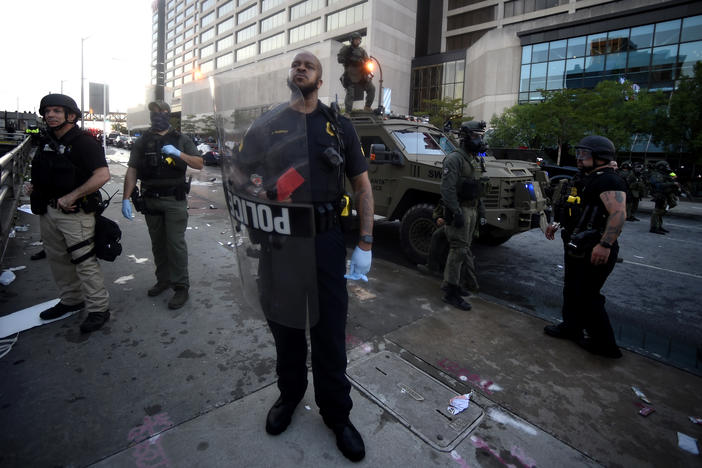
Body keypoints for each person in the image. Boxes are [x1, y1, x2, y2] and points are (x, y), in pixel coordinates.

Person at [234, 51, 373, 462]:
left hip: (326, 242)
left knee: (329, 332)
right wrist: (254, 190)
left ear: (320, 77)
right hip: (280, 244)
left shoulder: (339, 126)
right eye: (296, 64)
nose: (300, 68)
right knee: (286, 329)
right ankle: (289, 397)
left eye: (308, 65)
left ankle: (337, 415)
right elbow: (240, 173)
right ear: (289, 75)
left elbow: (362, 187)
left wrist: (365, 242)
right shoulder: (268, 123)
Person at [29, 94, 111, 333]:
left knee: (84, 262)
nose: (50, 115)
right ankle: (71, 300)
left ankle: (98, 309)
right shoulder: (46, 141)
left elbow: (102, 175)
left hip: (75, 214)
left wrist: (72, 196)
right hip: (48, 210)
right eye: (47, 111)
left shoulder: (84, 142)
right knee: (58, 260)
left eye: (56, 111)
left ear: (71, 115)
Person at [544, 135, 626, 358]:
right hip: (575, 243)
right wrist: (557, 223)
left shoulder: (609, 180)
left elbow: (618, 214)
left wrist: (605, 244)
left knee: (588, 295)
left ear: (600, 157)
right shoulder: (587, 177)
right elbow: (576, 208)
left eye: (584, 154)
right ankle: (571, 327)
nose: (579, 158)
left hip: (595, 246)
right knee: (572, 289)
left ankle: (605, 344)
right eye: (579, 153)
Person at [121, 100, 203, 309]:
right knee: (158, 244)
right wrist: (125, 198)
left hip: (174, 200)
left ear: (168, 114)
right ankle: (164, 280)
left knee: (175, 244)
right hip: (150, 199)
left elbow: (199, 163)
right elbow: (132, 170)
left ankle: (181, 286)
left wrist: (178, 153)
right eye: (153, 113)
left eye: (160, 112)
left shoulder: (180, 139)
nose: (156, 116)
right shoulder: (143, 141)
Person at [439, 120, 487, 311]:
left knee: (464, 249)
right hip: (460, 210)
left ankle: (452, 284)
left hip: (471, 210)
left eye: (480, 136)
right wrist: (456, 212)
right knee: (458, 250)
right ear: (466, 137)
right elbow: (447, 189)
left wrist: (480, 212)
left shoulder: (472, 158)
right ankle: (451, 292)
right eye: (476, 136)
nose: (479, 140)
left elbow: (477, 187)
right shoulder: (454, 159)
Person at [417, 201, 479, 296]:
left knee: (462, 251)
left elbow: (478, 211)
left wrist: (476, 228)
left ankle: (467, 283)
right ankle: (432, 266)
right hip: (453, 222)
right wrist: (438, 218)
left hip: (464, 222)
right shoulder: (453, 192)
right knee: (437, 236)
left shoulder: (470, 198)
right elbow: (442, 204)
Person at [337, 32, 375, 113]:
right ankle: (348, 112)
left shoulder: (362, 51)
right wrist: (350, 60)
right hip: (350, 75)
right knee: (350, 93)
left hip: (361, 75)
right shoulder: (346, 49)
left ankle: (367, 107)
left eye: (359, 40)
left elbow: (367, 61)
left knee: (372, 88)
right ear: (351, 40)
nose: (358, 41)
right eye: (356, 39)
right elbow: (339, 59)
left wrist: (368, 64)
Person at [648, 160, 678, 235]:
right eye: (666, 166)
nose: (667, 168)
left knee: (661, 211)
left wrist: (673, 180)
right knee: (657, 211)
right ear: (661, 167)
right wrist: (672, 184)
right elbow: (659, 185)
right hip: (659, 195)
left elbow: (673, 177)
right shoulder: (657, 175)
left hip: (665, 194)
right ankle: (654, 227)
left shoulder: (665, 174)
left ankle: (659, 226)